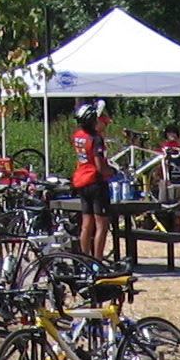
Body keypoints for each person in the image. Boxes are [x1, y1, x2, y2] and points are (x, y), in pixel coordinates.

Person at [71, 101, 114, 261]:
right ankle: (97, 261)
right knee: (101, 225)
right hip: (95, 181)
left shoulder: (77, 135)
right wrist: (111, 171)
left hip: (81, 180)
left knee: (86, 223)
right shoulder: (95, 139)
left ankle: (84, 259)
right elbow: (99, 166)